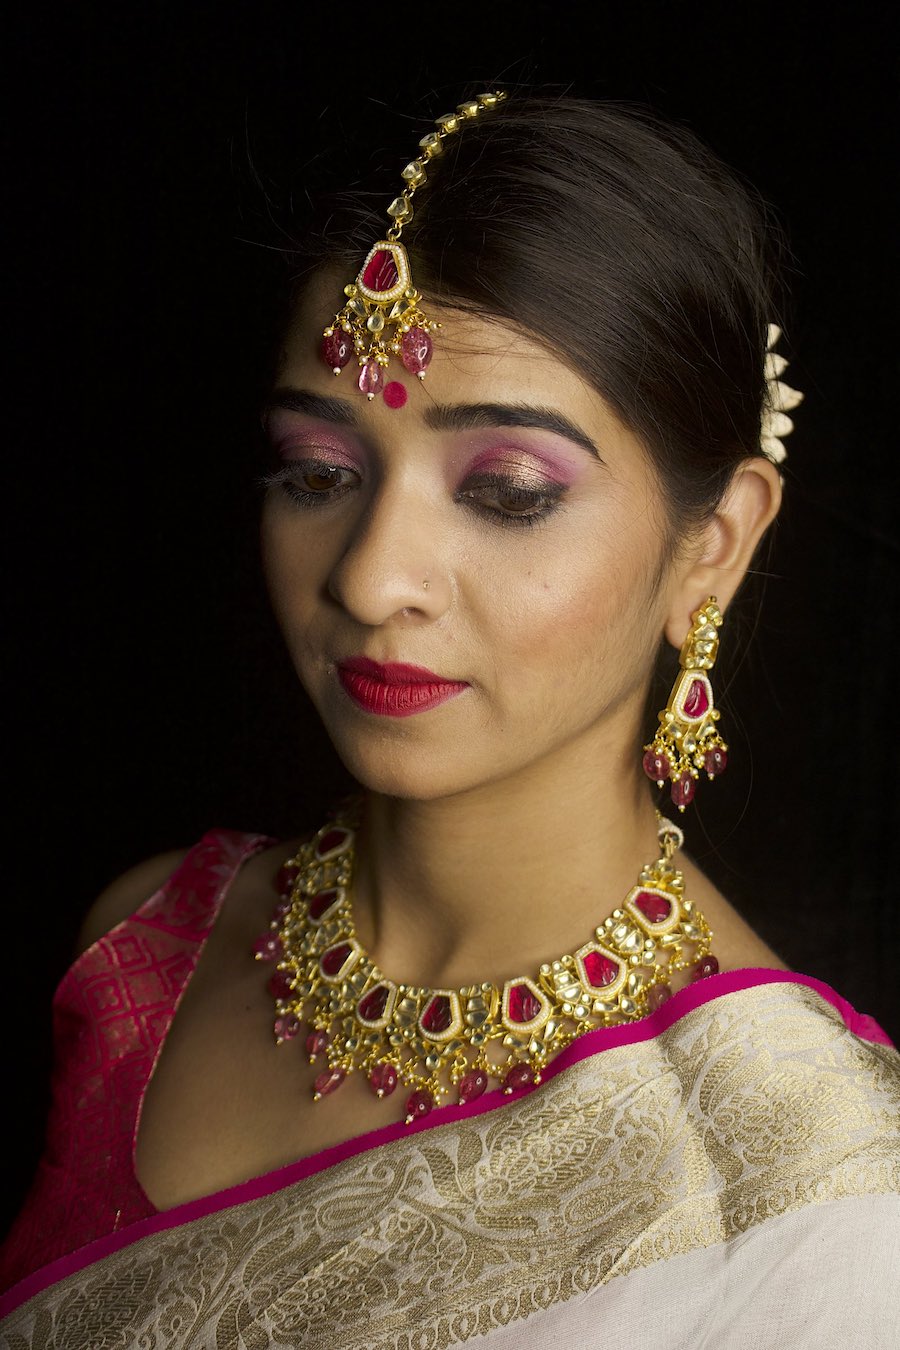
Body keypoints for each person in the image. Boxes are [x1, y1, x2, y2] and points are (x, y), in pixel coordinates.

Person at [1, 90, 897, 1348]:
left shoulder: (803, 1193)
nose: (370, 579)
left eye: (512, 493)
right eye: (319, 474)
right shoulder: (144, 954)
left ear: (717, 543)